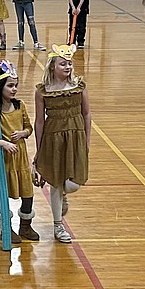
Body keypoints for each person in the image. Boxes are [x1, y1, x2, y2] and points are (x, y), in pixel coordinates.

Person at [33, 44, 90, 244]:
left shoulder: (78, 86)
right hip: (53, 138)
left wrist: (87, 140)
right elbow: (39, 121)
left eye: (69, 63)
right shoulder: (43, 91)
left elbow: (86, 113)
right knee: (55, 182)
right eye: (63, 64)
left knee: (73, 183)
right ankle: (58, 225)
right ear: (52, 67)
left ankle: (63, 194)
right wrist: (39, 150)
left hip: (75, 136)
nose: (67, 67)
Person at [0, 62, 37, 243]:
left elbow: (29, 127)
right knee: (1, 194)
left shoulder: (20, 106)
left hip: (20, 159)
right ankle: (4, 227)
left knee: (27, 194)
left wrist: (24, 133)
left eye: (16, 86)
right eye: (10, 86)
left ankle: (25, 226)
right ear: (0, 87)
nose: (14, 89)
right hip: (2, 160)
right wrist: (1, 143)